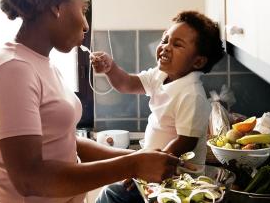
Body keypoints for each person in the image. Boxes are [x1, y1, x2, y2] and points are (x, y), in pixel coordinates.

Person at [0, 0, 179, 203]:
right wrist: (132, 165)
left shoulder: (42, 64)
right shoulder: (13, 70)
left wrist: (138, 157)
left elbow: (66, 141)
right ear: (56, 6)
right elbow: (29, 178)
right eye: (83, 10)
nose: (85, 24)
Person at [91, 11, 225, 203]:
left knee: (112, 194)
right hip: (154, 174)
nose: (165, 47)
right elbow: (127, 84)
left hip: (176, 182)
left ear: (198, 61)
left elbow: (185, 141)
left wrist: (145, 167)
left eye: (177, 44)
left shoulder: (192, 94)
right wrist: (110, 69)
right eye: (165, 40)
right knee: (112, 192)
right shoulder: (160, 75)